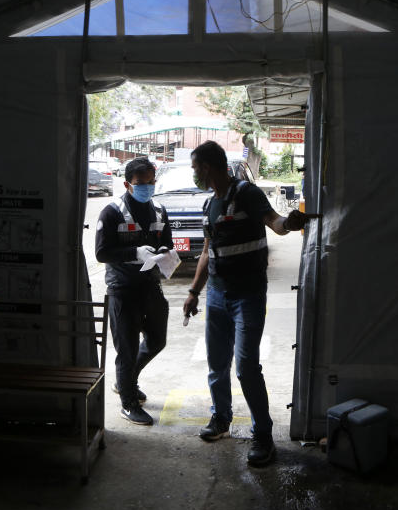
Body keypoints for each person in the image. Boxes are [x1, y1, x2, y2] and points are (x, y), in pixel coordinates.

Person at [183, 141, 307, 466]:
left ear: (208, 167)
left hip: (248, 296)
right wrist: (194, 292)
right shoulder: (210, 204)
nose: (194, 173)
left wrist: (290, 224)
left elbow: (275, 222)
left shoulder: (247, 193)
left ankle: (263, 437)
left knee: (246, 366)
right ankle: (221, 418)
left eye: (195, 168)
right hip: (217, 297)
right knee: (216, 363)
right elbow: (208, 253)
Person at [95, 157, 173, 425]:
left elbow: (167, 242)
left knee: (157, 340)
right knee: (126, 349)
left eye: (151, 182)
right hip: (123, 289)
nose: (147, 187)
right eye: (141, 183)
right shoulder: (112, 212)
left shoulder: (160, 210)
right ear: (128, 184)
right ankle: (128, 403)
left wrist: (165, 254)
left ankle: (126, 381)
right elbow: (101, 252)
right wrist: (133, 252)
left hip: (150, 286)